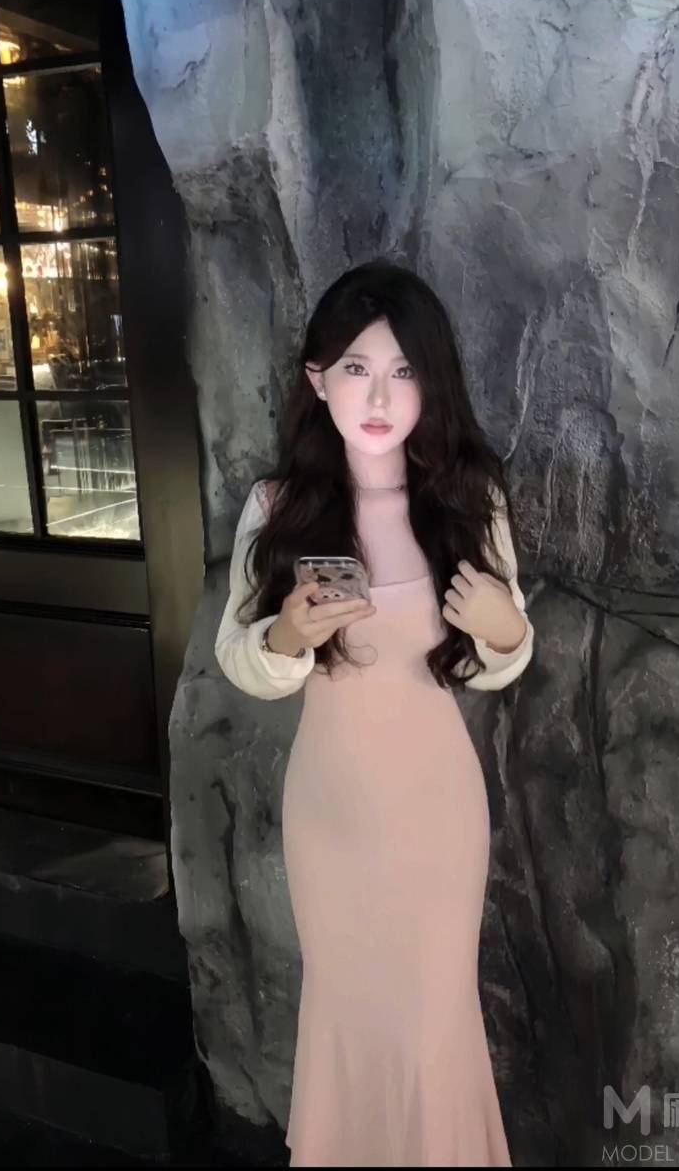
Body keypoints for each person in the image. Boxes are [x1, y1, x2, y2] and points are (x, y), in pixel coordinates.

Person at [214, 258, 534, 1167]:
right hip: (332, 818)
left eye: (403, 370)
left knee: (433, 1024)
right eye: (357, 368)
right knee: (347, 1015)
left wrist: (504, 627)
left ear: (432, 383)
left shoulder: (468, 501)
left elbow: (502, 658)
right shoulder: (278, 508)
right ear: (318, 380)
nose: (380, 395)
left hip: (438, 817)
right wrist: (286, 635)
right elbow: (240, 657)